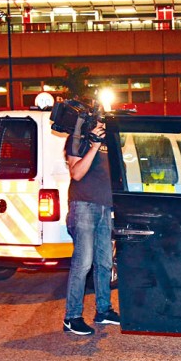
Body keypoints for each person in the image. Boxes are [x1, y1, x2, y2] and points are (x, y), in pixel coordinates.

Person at [63, 103, 119, 336]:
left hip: (106, 207)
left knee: (105, 263)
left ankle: (103, 310)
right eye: (98, 120)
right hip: (83, 205)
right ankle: (72, 316)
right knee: (83, 263)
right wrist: (94, 145)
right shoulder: (78, 139)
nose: (102, 123)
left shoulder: (110, 141)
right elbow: (76, 173)